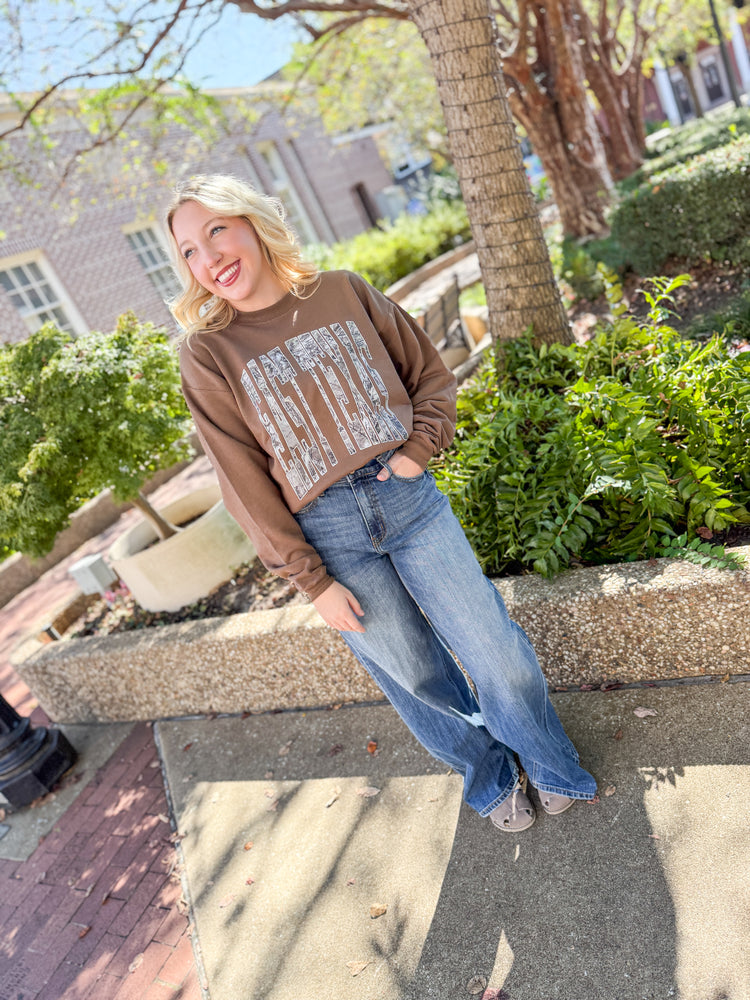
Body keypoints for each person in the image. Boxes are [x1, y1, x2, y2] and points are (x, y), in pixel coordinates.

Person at [165, 173, 597, 833]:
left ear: (252, 222)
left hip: (407, 500)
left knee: (494, 649)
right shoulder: (207, 354)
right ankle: (490, 774)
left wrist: (417, 450)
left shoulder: (343, 291)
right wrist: (311, 582)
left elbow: (429, 376)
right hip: (328, 535)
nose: (208, 257)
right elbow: (243, 482)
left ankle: (546, 760)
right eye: (189, 251)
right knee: (415, 677)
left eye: (216, 230)